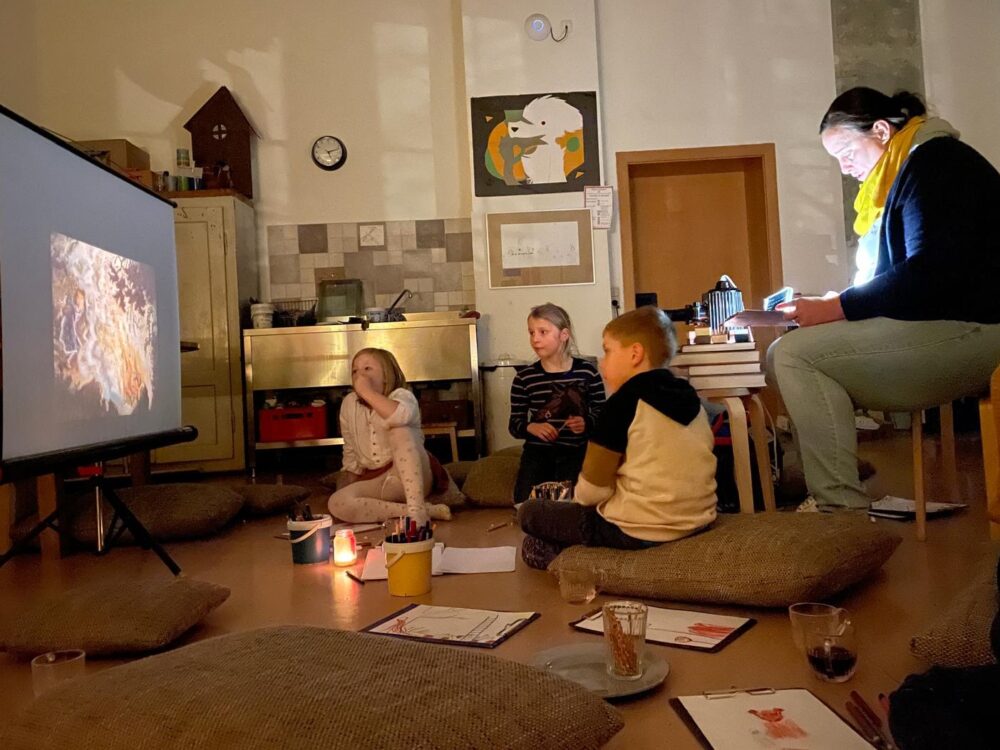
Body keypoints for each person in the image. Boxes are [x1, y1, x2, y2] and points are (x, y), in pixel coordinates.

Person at [768, 87, 1000, 511]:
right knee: (781, 353)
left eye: (846, 152)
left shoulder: (937, 163)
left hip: (977, 330)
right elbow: (912, 276)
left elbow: (930, 273)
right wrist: (840, 302)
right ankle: (828, 479)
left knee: (794, 356)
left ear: (880, 130)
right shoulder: (912, 169)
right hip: (948, 324)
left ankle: (841, 511)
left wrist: (838, 307)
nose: (845, 168)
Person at [519, 306, 718, 569]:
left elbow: (591, 493)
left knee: (531, 512)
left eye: (608, 351)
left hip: (640, 528)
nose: (601, 361)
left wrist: (577, 498)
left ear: (635, 354)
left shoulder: (622, 404)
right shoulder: (691, 398)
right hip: (698, 518)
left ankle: (562, 553)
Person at [328, 348, 453, 524]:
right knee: (336, 503)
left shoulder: (402, 396)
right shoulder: (349, 404)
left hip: (414, 477)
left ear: (386, 375)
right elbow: (350, 456)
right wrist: (346, 493)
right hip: (378, 480)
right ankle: (421, 510)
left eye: (367, 369)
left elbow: (399, 416)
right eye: (355, 371)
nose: (359, 375)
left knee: (399, 429)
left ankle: (417, 510)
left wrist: (367, 392)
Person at [508, 303, 606, 503]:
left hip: (576, 452)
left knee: (575, 502)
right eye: (531, 332)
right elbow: (515, 425)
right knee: (522, 503)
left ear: (564, 335)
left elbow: (603, 414)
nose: (535, 339)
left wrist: (586, 423)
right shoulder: (524, 378)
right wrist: (531, 427)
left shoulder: (587, 372)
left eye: (543, 332)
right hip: (538, 454)